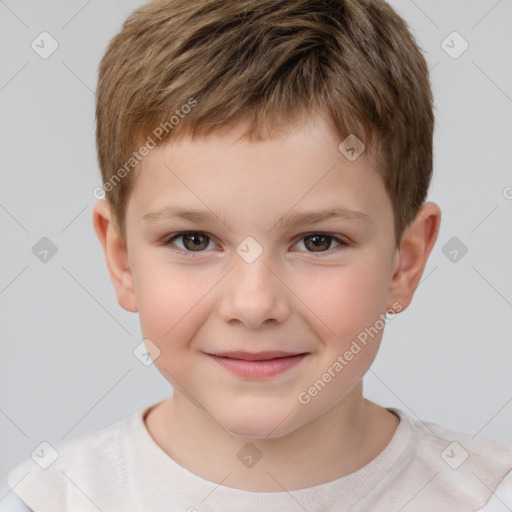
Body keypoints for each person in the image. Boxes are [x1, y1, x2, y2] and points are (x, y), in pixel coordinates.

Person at [3, 0, 512, 510]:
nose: (253, 304)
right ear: (122, 259)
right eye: (194, 240)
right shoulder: (51, 500)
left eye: (318, 241)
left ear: (405, 262)